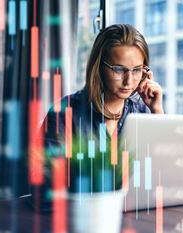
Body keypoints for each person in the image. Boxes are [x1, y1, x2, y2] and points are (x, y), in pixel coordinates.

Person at [31, 24, 163, 211]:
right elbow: (43, 188)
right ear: (99, 67)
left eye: (137, 70)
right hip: (82, 219)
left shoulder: (143, 111)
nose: (129, 80)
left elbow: (162, 177)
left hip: (132, 213)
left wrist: (157, 111)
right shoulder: (65, 113)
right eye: (119, 69)